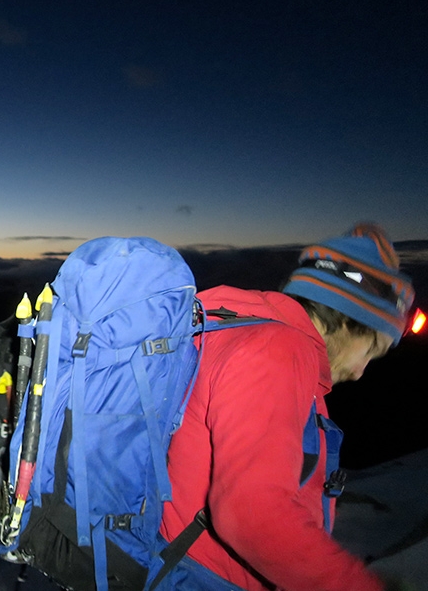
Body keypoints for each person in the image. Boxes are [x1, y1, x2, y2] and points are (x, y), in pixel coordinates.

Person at [158, 223, 416, 591]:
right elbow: (251, 514)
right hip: (198, 580)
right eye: (370, 350)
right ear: (345, 320)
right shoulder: (277, 351)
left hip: (170, 564)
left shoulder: (229, 327)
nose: (361, 373)